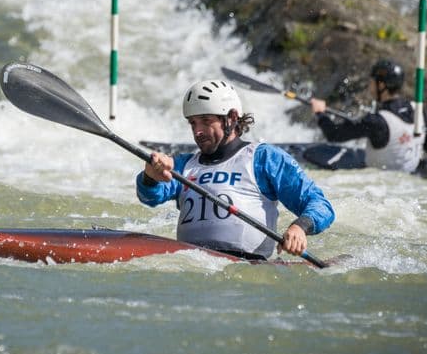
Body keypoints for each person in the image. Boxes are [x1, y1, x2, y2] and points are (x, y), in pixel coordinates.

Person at [136, 79, 335, 261]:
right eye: (193, 123)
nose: (197, 131)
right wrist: (150, 177)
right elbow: (150, 197)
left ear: (231, 117)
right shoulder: (183, 165)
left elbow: (320, 205)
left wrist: (299, 227)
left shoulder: (263, 158)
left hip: (248, 266)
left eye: (206, 121)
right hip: (193, 263)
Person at [310, 59, 427, 172]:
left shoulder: (376, 121)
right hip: (408, 182)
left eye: (372, 81)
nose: (369, 85)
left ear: (381, 85)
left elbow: (334, 134)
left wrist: (320, 113)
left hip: (380, 186)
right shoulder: (418, 111)